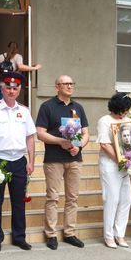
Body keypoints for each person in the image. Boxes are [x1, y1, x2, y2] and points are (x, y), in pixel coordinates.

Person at [0, 72, 35, 253]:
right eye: (8, 87)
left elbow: (30, 138)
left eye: (15, 88)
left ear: (19, 90)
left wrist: (31, 161)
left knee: (19, 202)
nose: (12, 91)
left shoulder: (24, 111)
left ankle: (19, 237)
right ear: (1, 89)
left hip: (18, 160)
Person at [36, 75, 90, 250]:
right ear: (57, 87)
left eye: (71, 83)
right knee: (53, 197)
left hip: (74, 159)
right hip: (54, 159)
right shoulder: (47, 107)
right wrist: (61, 142)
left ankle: (69, 233)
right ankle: (51, 234)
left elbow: (86, 133)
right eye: (65, 84)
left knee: (72, 198)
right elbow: (40, 133)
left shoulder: (78, 107)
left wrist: (79, 146)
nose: (69, 86)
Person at [96, 93, 131, 249]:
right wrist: (120, 160)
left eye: (127, 110)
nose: (125, 113)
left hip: (127, 164)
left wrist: (130, 159)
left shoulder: (128, 121)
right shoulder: (104, 121)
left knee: (126, 199)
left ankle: (120, 234)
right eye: (123, 110)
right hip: (110, 164)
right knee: (112, 199)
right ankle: (108, 235)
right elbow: (105, 144)